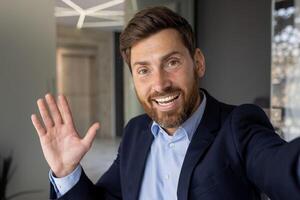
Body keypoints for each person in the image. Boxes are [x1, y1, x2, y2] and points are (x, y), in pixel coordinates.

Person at [31, 6, 300, 200]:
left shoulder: (238, 127)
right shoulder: (136, 131)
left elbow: (284, 169)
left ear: (198, 63)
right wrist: (66, 172)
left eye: (171, 63)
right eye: (143, 70)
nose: (160, 84)